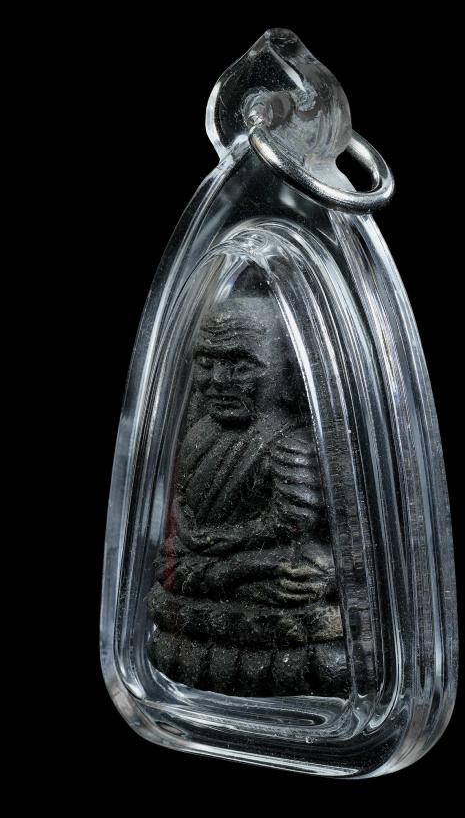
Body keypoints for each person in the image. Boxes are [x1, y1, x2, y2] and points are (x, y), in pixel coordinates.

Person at [148, 291, 348, 696]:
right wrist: (192, 534)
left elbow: (289, 523)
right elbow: (182, 505)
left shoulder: (289, 442)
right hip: (207, 562)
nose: (219, 381)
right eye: (207, 364)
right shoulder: (200, 433)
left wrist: (227, 547)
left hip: (259, 562)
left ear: (288, 370)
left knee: (304, 571)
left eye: (241, 366)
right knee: (170, 566)